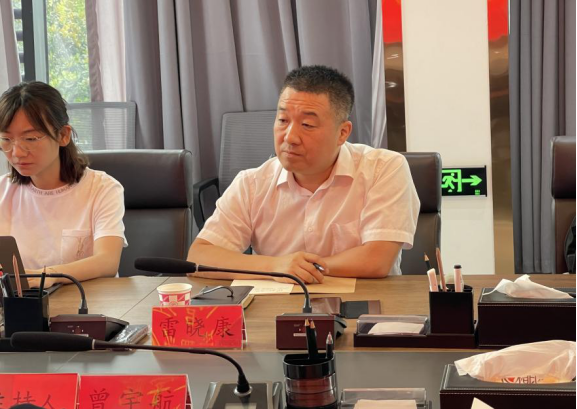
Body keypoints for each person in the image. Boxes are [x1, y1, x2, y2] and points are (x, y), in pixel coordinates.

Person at [188, 66, 420, 283]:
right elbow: (200, 256)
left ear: (342, 133)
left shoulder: (384, 169)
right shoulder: (252, 183)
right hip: (277, 306)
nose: (290, 137)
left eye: (307, 125)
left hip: (367, 304)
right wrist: (275, 266)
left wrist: (300, 269)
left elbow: (376, 260)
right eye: (283, 120)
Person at [0, 82, 127, 288]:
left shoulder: (102, 188)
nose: (17, 152)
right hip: (21, 304)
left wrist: (47, 275)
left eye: (30, 138)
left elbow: (107, 262)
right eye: (6, 139)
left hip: (90, 301)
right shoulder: (3, 191)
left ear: (63, 135)